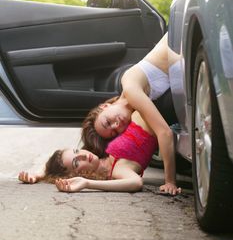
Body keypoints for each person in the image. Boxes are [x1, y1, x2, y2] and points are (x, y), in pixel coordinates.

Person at [81, 33, 180, 195]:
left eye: (107, 122)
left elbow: (164, 133)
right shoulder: (135, 107)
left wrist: (170, 181)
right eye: (114, 132)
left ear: (105, 106)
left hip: (182, 39)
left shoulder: (130, 89)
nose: (116, 125)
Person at [18, 111, 181, 195]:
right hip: (164, 108)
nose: (82, 154)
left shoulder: (99, 151)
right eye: (77, 162)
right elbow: (136, 183)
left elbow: (59, 160)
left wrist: (41, 173)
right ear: (78, 174)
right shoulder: (117, 170)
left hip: (148, 97)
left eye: (76, 151)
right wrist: (87, 183)